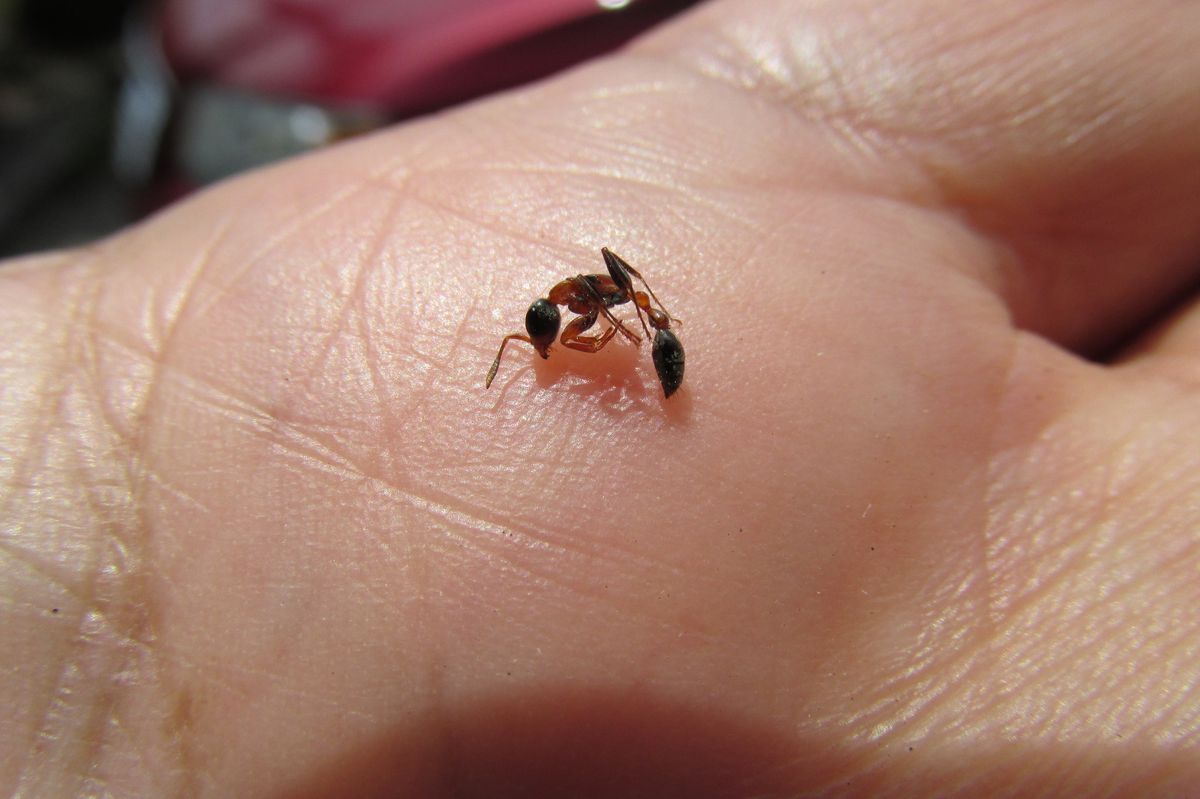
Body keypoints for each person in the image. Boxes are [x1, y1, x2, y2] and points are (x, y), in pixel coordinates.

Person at [2, 0, 1197, 795]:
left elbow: (596, 316)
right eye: (593, 318)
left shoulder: (599, 310)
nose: (594, 323)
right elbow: (576, 324)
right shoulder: (581, 315)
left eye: (597, 316)